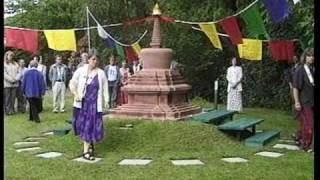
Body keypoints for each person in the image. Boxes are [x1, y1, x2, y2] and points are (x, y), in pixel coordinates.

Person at [69, 50, 109, 161]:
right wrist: (76, 94)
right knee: (83, 126)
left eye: (97, 59)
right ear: (89, 59)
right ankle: (88, 148)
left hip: (94, 105)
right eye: (93, 59)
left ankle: (87, 149)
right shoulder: (81, 71)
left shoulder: (101, 73)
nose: (95, 62)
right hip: (82, 104)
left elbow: (105, 87)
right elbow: (72, 83)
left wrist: (107, 100)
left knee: (91, 126)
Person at [293, 48, 314, 152]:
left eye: (313, 56)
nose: (311, 58)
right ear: (305, 57)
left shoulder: (312, 69)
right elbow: (296, 87)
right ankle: (306, 146)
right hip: (304, 101)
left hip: (312, 101)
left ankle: (298, 136)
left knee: (305, 124)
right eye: (309, 56)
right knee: (309, 124)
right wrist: (297, 102)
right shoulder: (300, 70)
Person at [4, 50, 20, 115]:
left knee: (13, 98)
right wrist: (11, 79)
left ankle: (12, 110)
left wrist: (16, 79)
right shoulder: (4, 64)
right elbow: (4, 74)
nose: (11, 57)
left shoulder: (16, 64)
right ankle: (7, 111)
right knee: (7, 98)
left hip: (15, 84)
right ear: (6, 56)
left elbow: (19, 72)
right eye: (10, 55)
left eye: (12, 56)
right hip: (7, 84)